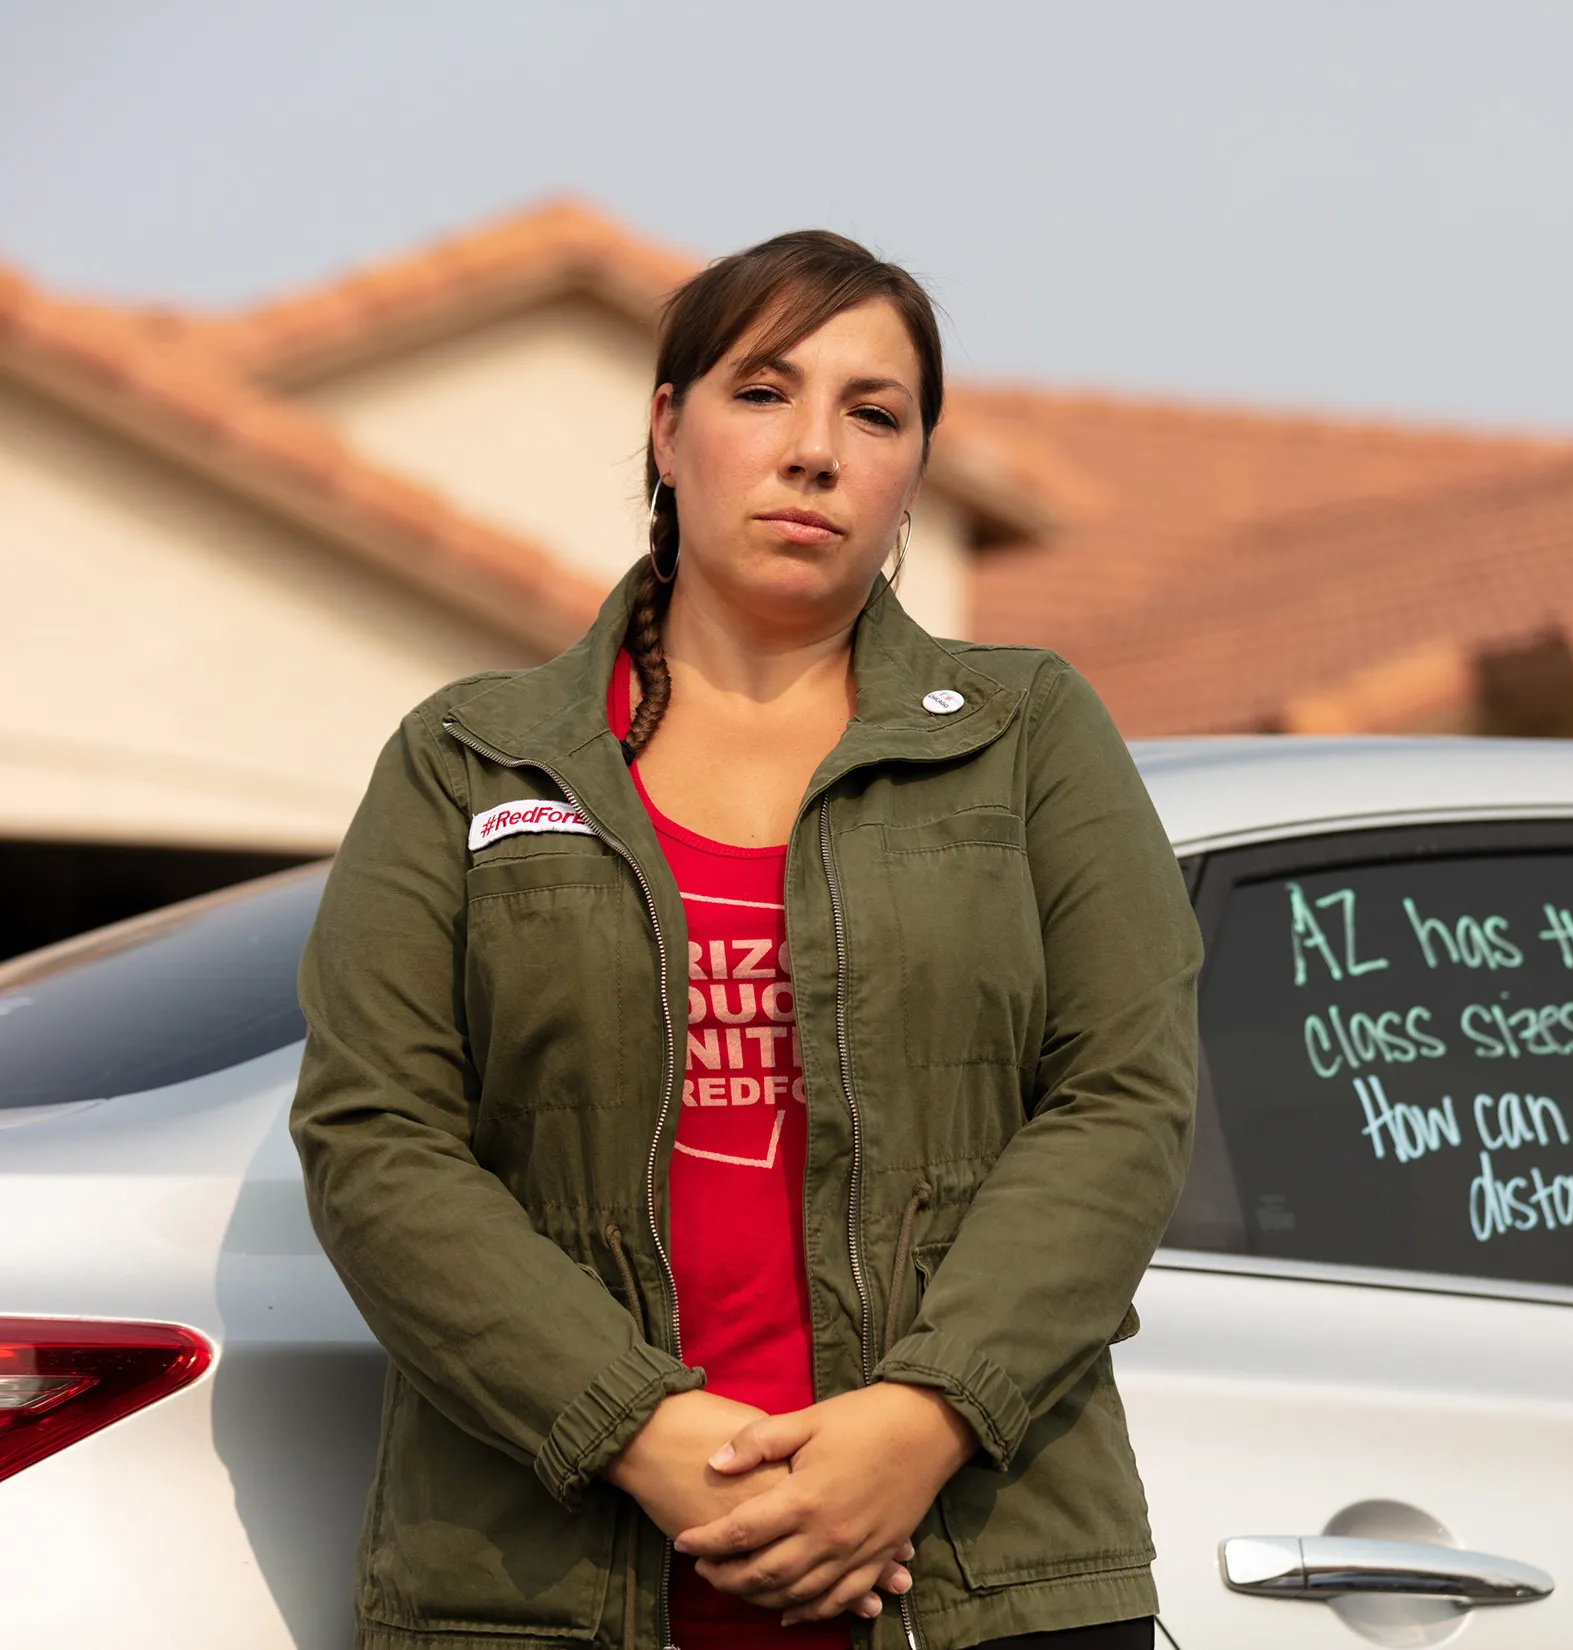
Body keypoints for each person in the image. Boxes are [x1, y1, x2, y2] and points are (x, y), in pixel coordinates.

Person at [292, 230, 1201, 1650]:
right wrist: (635, 1427)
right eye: (763, 392)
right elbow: (374, 1137)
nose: (816, 450)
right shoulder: (471, 757)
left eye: (875, 412)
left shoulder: (1030, 733)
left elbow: (1122, 1098)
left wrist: (924, 1416)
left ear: (914, 467)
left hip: (971, 1573)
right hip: (543, 1586)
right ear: (667, 426)